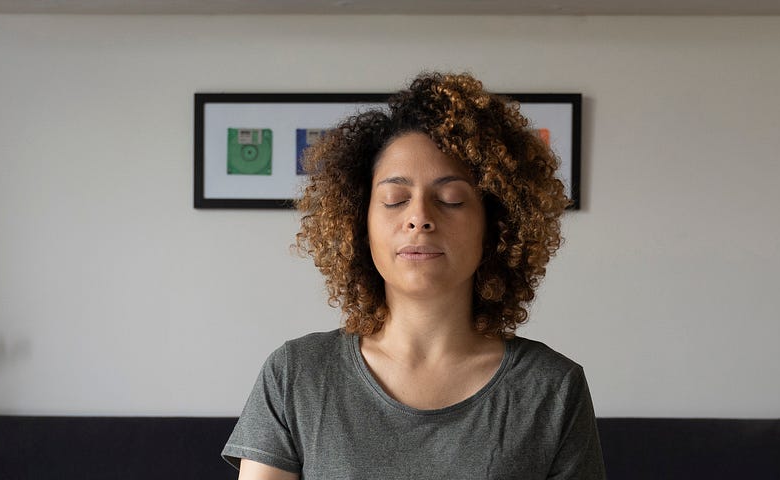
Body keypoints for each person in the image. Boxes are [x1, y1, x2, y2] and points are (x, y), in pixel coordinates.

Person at [221, 72, 604, 480]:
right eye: (395, 199)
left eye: (451, 200)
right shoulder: (295, 375)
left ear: (494, 226)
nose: (419, 217)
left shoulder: (553, 388)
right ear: (359, 221)